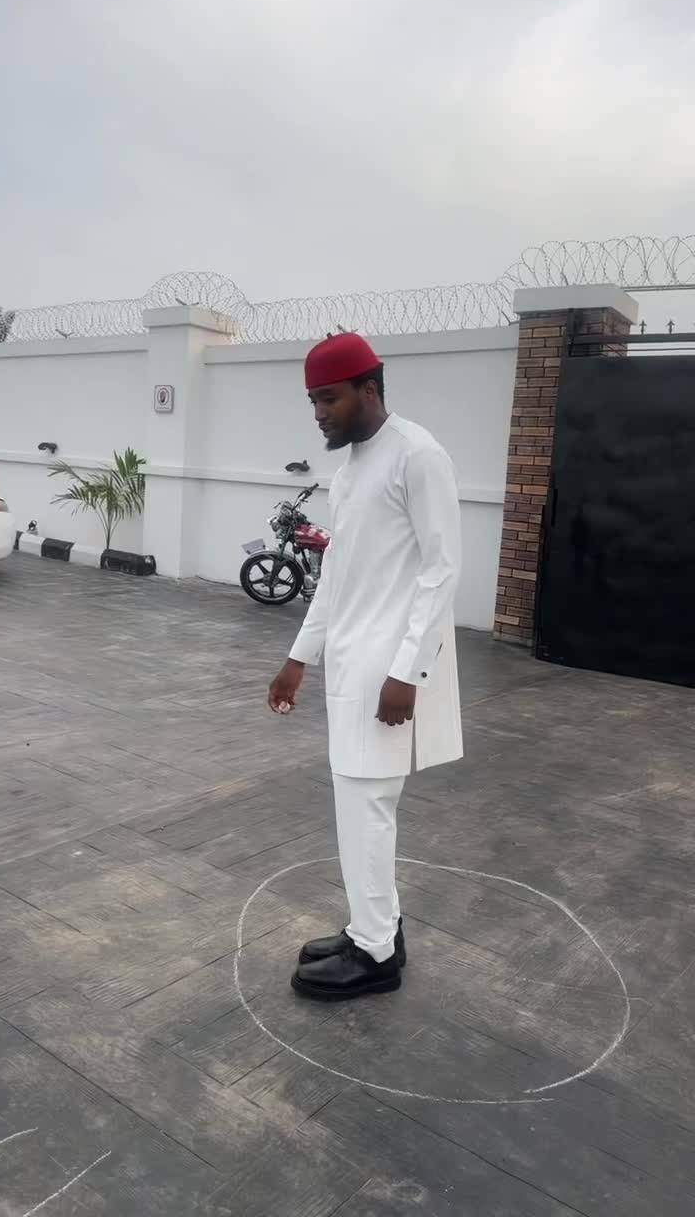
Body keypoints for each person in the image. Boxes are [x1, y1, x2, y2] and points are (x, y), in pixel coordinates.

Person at [268, 332, 463, 1000]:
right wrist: (299, 658)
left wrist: (409, 671)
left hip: (387, 670)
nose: (318, 413)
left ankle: (375, 953)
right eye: (313, 402)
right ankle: (375, 928)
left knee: (367, 805)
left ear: (369, 389)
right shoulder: (351, 471)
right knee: (357, 805)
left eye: (328, 399)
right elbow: (337, 576)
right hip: (350, 664)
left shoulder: (417, 456)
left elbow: (442, 570)